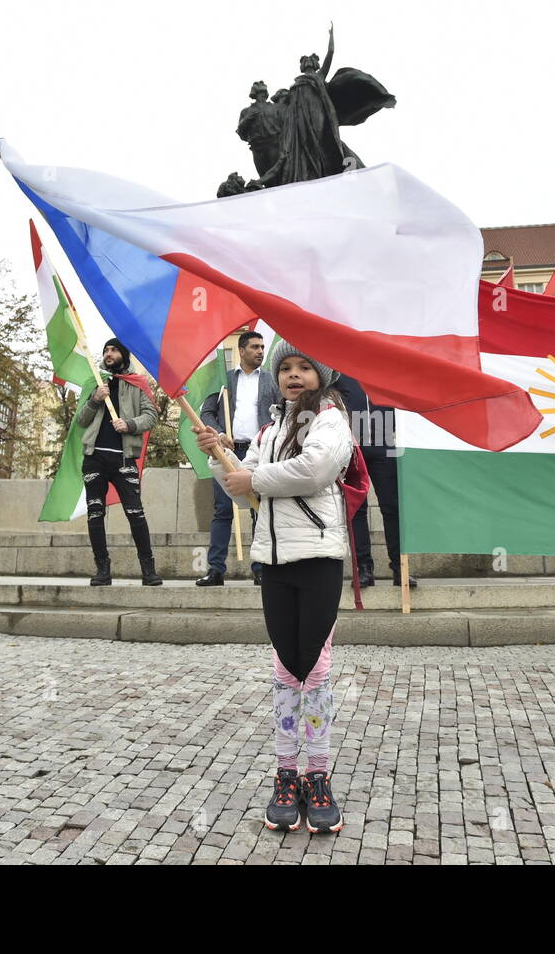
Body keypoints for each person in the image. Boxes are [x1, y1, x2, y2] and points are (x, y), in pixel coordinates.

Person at [194, 341, 354, 834]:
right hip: (274, 562)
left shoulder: (331, 419)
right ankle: (287, 774)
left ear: (321, 376)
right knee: (286, 667)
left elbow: (316, 469)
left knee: (316, 668)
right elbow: (238, 487)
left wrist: (252, 476)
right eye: (285, 367)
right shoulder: (268, 430)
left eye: (305, 366)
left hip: (320, 560)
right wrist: (220, 455)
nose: (294, 374)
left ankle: (318, 774)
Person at [77, 338, 163, 587]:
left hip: (124, 457)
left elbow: (151, 416)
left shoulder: (137, 383)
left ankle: (148, 569)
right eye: (105, 350)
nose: (108, 354)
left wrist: (129, 424)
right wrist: (95, 398)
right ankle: (102, 569)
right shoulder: (95, 381)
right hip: (94, 458)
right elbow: (82, 421)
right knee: (95, 513)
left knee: (135, 512)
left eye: (113, 350)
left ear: (123, 354)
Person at [197, 330, 280, 586]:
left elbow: (281, 412)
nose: (260, 351)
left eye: (262, 347)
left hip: (261, 453)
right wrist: (220, 433)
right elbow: (207, 412)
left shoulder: (272, 381)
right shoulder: (223, 381)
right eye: (254, 346)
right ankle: (216, 570)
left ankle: (261, 568)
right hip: (228, 453)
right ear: (241, 350)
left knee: (260, 510)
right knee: (223, 510)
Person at [333, 373, 416, 587]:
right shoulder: (340, 375)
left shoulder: (386, 374)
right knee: (357, 509)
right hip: (352, 449)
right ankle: (364, 568)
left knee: (392, 508)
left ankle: (400, 568)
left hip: (385, 447)